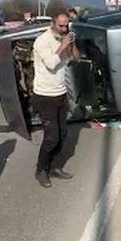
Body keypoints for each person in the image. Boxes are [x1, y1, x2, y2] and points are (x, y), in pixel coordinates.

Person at [31, 11, 79, 188]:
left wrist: (71, 44)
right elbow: (51, 64)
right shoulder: (42, 41)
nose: (64, 29)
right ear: (53, 24)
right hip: (44, 95)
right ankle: (41, 169)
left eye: (67, 25)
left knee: (63, 134)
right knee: (52, 137)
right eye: (61, 25)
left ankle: (54, 167)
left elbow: (76, 58)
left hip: (60, 92)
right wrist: (62, 46)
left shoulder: (64, 38)